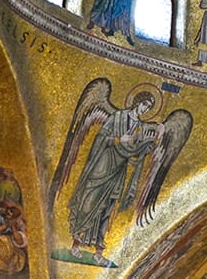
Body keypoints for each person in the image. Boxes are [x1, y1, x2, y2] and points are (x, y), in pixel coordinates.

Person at [66, 91, 164, 251]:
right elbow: (101, 137)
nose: (145, 110)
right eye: (145, 105)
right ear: (137, 102)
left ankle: (98, 248)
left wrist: (143, 148)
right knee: (90, 200)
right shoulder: (117, 117)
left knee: (107, 206)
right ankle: (76, 243)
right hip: (103, 164)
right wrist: (118, 140)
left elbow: (132, 158)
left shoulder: (139, 127)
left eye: (149, 108)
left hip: (119, 170)